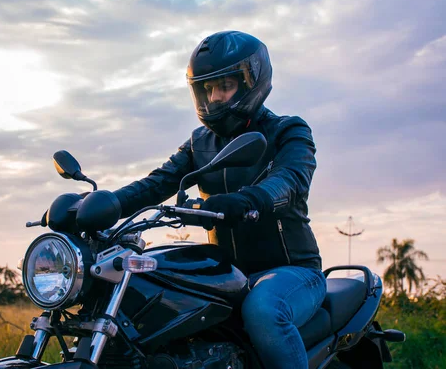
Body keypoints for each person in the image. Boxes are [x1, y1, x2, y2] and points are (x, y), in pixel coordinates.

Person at [112, 30, 326, 369]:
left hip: (292, 271)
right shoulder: (199, 142)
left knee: (263, 311)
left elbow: (290, 180)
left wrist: (247, 200)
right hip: (228, 275)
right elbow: (157, 184)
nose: (214, 98)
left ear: (250, 82)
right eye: (207, 89)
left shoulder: (289, 131)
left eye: (224, 86)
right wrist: (102, 205)